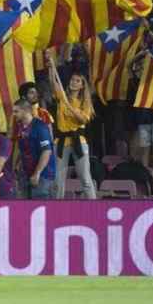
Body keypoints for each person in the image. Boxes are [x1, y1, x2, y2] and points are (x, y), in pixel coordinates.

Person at [48, 52, 97, 199]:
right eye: (72, 80)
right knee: (58, 181)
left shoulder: (85, 102)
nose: (73, 82)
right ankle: (57, 209)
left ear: (82, 86)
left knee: (85, 179)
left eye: (77, 81)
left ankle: (95, 208)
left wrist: (71, 109)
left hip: (79, 142)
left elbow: (83, 120)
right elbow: (53, 83)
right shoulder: (62, 97)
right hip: (61, 142)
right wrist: (51, 67)